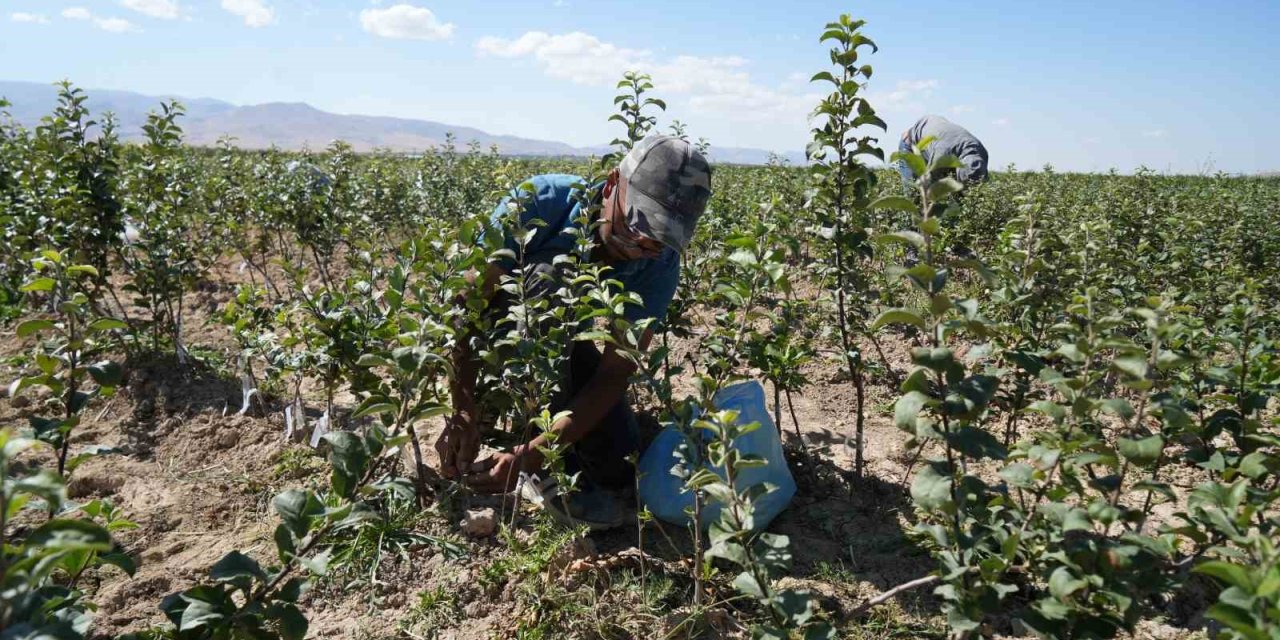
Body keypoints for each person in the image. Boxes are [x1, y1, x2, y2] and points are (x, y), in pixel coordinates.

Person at [434, 135, 713, 530]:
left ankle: (535, 444)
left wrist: (530, 455)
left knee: (620, 461)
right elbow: (466, 306)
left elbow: (614, 373)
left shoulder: (659, 265)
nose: (643, 244)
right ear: (614, 184)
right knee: (546, 280)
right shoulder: (541, 202)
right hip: (505, 339)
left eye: (661, 239)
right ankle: (507, 422)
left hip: (564, 349)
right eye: (638, 224)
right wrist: (462, 407)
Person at [897, 115, 989, 193]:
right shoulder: (941, 156)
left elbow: (978, 184)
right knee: (913, 193)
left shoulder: (982, 153)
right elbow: (931, 185)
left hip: (938, 131)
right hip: (910, 143)